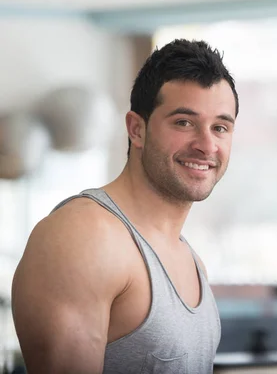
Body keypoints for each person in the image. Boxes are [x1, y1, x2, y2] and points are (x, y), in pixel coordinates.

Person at [11, 39, 239, 374]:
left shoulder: (192, 262)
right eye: (183, 122)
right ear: (137, 129)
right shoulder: (84, 236)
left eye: (220, 127)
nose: (206, 145)